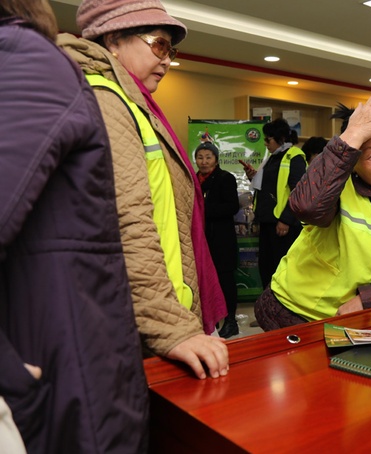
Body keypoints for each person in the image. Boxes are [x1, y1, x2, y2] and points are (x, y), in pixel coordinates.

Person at [1, 0, 148, 451]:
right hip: (50, 347)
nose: (167, 58)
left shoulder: (18, 56)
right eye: (159, 44)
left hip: (53, 343)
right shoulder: (22, 57)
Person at [58, 0, 229, 380]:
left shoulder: (132, 103)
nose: (168, 60)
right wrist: (172, 326)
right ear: (115, 41)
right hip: (137, 326)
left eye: (172, 50)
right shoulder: (106, 100)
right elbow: (128, 221)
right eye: (159, 45)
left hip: (146, 317)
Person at [254, 94, 371, 330]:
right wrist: (352, 137)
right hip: (294, 313)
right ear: (353, 161)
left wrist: (368, 299)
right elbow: (305, 207)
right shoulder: (336, 186)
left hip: (358, 321)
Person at [244, 118, 307, 288]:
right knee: (267, 267)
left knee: (281, 269)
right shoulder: (273, 158)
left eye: (268, 139)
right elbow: (271, 185)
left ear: (280, 138)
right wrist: (253, 176)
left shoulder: (295, 157)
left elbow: (298, 191)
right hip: (267, 222)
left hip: (283, 224)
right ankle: (268, 305)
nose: (265, 143)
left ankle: (282, 308)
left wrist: (286, 220)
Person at [195, 142, 241, 338]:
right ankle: (208, 319)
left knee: (225, 281)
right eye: (200, 157)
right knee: (203, 279)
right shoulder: (193, 179)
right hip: (200, 238)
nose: (204, 162)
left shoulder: (225, 178)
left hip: (221, 240)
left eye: (208, 157)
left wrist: (203, 210)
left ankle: (231, 321)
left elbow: (232, 207)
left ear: (216, 159)